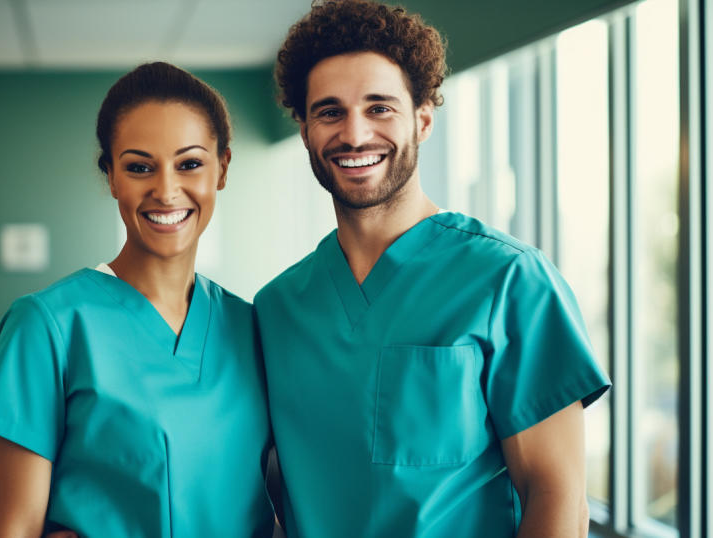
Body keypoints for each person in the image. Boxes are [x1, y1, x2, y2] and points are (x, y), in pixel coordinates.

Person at [253, 1, 612, 536]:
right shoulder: (277, 307)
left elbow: (557, 497)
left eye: (380, 108)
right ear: (304, 129)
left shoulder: (509, 280)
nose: (354, 135)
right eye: (330, 111)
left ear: (422, 119)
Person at [0, 62, 273, 537]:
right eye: (139, 167)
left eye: (190, 163)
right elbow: (13, 528)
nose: (167, 190)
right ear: (111, 176)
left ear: (223, 169)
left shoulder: (250, 326)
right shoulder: (47, 326)